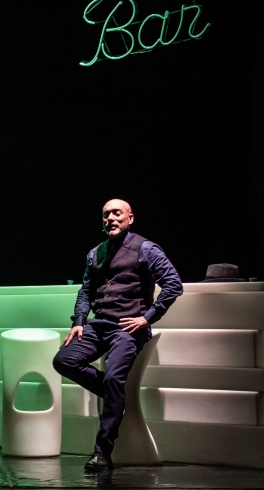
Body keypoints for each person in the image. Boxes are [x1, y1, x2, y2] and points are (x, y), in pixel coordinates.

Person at [52, 200, 183, 471]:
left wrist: (147, 317)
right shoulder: (95, 252)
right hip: (98, 325)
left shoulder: (146, 248)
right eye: (105, 215)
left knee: (113, 377)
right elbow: (86, 291)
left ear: (130, 218)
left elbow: (173, 284)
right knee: (63, 360)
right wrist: (79, 321)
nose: (110, 218)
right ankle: (115, 396)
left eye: (116, 213)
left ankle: (102, 453)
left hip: (127, 327)